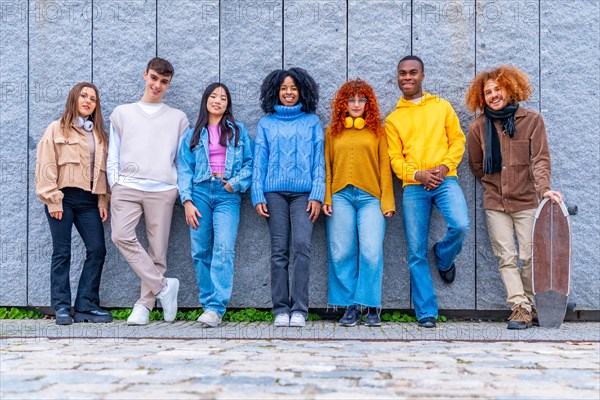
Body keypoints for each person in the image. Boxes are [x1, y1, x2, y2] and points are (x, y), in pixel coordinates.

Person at [466, 65, 562, 330]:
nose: (493, 95)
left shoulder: (532, 120)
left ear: (510, 88)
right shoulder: (477, 127)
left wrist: (544, 189)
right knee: (505, 256)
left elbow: (540, 160)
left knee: (531, 255)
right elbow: (476, 165)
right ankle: (519, 307)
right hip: (495, 203)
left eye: (498, 89)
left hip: (526, 201)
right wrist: (492, 182)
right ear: (481, 97)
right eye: (488, 92)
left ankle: (530, 304)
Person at [385, 55, 470, 329]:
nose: (407, 78)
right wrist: (418, 174)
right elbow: (395, 160)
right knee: (415, 251)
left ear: (422, 76)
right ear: (397, 77)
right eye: (402, 73)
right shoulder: (394, 119)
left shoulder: (442, 107)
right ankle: (426, 311)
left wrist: (444, 168)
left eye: (412, 73)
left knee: (460, 225)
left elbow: (457, 140)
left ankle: (444, 256)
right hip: (413, 186)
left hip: (445, 179)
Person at [108, 57, 189, 325]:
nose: (157, 85)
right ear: (145, 75)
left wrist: (175, 188)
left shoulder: (178, 118)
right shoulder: (122, 113)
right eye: (154, 78)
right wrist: (115, 184)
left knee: (158, 251)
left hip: (163, 189)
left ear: (169, 85)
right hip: (127, 187)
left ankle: (143, 306)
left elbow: (181, 158)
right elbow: (113, 153)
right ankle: (164, 288)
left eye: (164, 82)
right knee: (121, 236)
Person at [251, 67, 325, 328]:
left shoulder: (312, 122)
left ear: (302, 90)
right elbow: (259, 161)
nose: (289, 92)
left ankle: (300, 310)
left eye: (293, 88)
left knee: (302, 247)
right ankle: (281, 308)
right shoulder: (267, 123)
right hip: (274, 193)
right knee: (278, 252)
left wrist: (317, 193)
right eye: (284, 88)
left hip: (304, 194)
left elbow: (319, 162)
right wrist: (257, 193)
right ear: (276, 91)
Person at [35, 82, 112, 325]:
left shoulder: (98, 135)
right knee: (62, 252)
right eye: (84, 96)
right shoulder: (56, 129)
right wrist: (53, 200)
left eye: (93, 98)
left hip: (89, 201)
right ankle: (61, 307)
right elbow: (46, 165)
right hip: (62, 198)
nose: (88, 101)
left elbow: (102, 171)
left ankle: (86, 305)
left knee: (97, 249)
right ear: (73, 99)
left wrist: (102, 199)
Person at [177, 83, 253, 328]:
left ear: (228, 104)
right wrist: (187, 201)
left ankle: (216, 307)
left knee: (223, 248)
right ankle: (208, 303)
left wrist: (235, 183)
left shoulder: (238, 131)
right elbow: (184, 169)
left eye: (223, 97)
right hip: (199, 193)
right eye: (213, 96)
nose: (218, 101)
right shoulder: (192, 134)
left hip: (226, 195)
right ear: (205, 101)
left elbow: (251, 165)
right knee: (200, 250)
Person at [322, 79, 395, 327]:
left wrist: (387, 201)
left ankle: (371, 305)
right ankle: (350, 305)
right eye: (351, 100)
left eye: (361, 99)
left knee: (371, 251)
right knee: (342, 252)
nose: (356, 104)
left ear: (368, 104)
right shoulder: (333, 131)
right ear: (344, 103)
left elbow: (385, 168)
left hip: (371, 198)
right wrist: (327, 198)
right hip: (340, 196)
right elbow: (327, 168)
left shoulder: (378, 131)